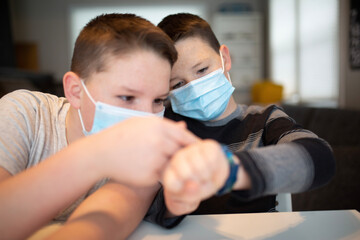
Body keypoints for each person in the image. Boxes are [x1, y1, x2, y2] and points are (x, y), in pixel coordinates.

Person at [0, 13, 200, 239]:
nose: (146, 118)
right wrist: (97, 155)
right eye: (127, 97)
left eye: (157, 101)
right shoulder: (24, 113)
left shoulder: (150, 155)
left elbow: (98, 228)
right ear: (75, 91)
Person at [145, 13, 336, 227]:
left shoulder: (265, 120)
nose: (194, 88)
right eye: (178, 84)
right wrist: (172, 205)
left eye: (202, 70)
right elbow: (150, 209)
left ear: (224, 58)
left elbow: (320, 159)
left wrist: (230, 170)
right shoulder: (167, 128)